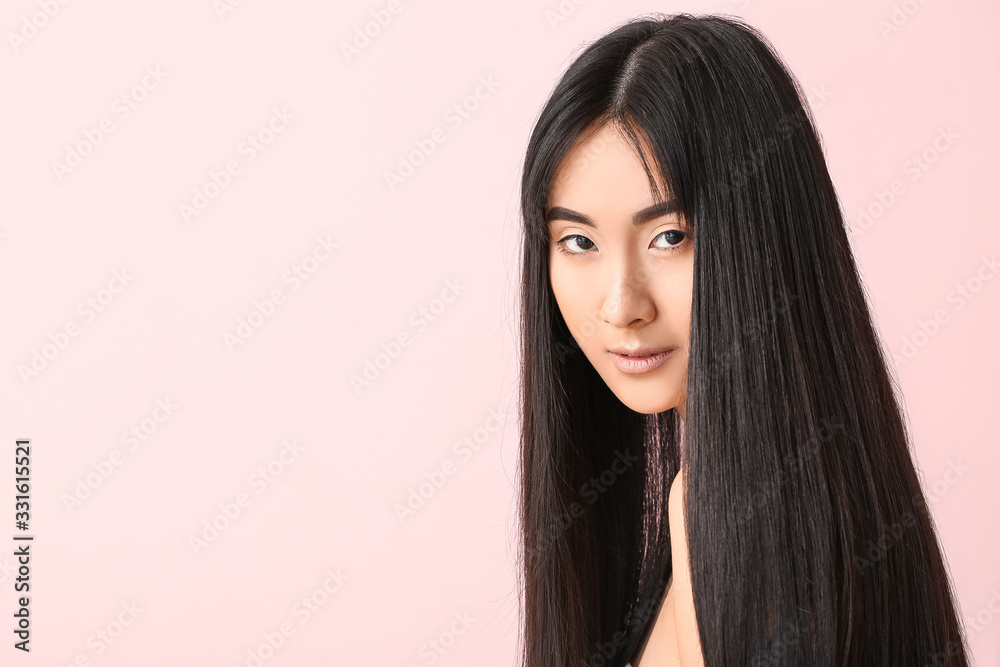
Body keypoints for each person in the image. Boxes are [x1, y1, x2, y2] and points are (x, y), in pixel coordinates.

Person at [514, 12, 970, 667]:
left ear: (762, 240)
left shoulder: (727, 520)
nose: (622, 306)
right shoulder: (825, 496)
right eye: (578, 242)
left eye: (670, 236)